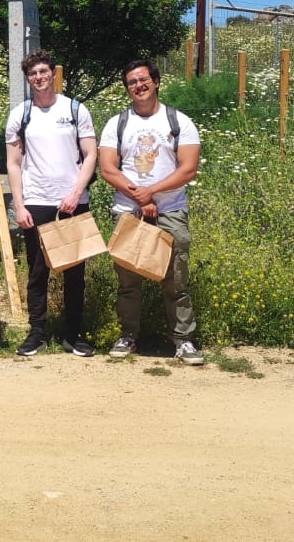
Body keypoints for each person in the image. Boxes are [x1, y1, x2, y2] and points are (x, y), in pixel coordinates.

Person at [97, 59, 205, 366]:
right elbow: (108, 168)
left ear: (156, 82)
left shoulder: (179, 122)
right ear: (127, 89)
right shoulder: (117, 124)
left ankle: (183, 340)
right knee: (128, 279)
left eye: (143, 79)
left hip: (170, 210)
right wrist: (139, 196)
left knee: (175, 279)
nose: (138, 86)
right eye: (132, 82)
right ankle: (128, 336)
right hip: (128, 210)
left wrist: (152, 192)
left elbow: (188, 169)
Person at [6, 51, 99, 358]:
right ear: (28, 78)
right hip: (36, 201)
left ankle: (73, 335)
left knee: (75, 272)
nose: (39, 77)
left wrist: (75, 193)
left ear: (53, 74)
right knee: (37, 271)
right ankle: (37, 333)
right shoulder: (20, 114)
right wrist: (19, 206)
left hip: (73, 201)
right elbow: (14, 163)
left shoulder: (74, 109)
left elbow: (91, 154)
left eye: (43, 71)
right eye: (33, 73)